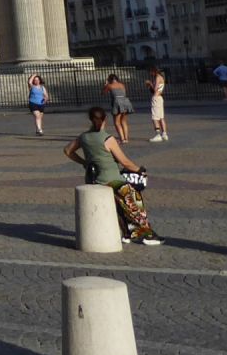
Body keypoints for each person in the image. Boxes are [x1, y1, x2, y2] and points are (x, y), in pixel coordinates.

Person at [64, 106, 161, 245]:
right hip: (113, 180)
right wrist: (140, 170)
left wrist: (84, 162)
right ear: (105, 119)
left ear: (90, 120)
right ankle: (147, 234)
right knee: (135, 202)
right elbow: (125, 162)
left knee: (118, 207)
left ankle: (127, 233)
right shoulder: (107, 139)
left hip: (94, 180)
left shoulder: (83, 137)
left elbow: (67, 151)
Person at [102, 72, 133, 143]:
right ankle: (126, 138)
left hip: (117, 103)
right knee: (124, 121)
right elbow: (124, 93)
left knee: (117, 122)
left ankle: (122, 139)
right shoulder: (122, 85)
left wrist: (105, 85)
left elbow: (103, 93)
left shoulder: (110, 85)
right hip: (125, 102)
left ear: (109, 80)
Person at [146, 67, 168, 142]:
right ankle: (164, 134)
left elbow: (155, 89)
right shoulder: (161, 77)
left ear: (153, 71)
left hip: (156, 98)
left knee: (155, 118)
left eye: (150, 72)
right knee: (161, 117)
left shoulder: (157, 77)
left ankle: (158, 134)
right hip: (160, 97)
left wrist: (150, 84)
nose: (150, 74)